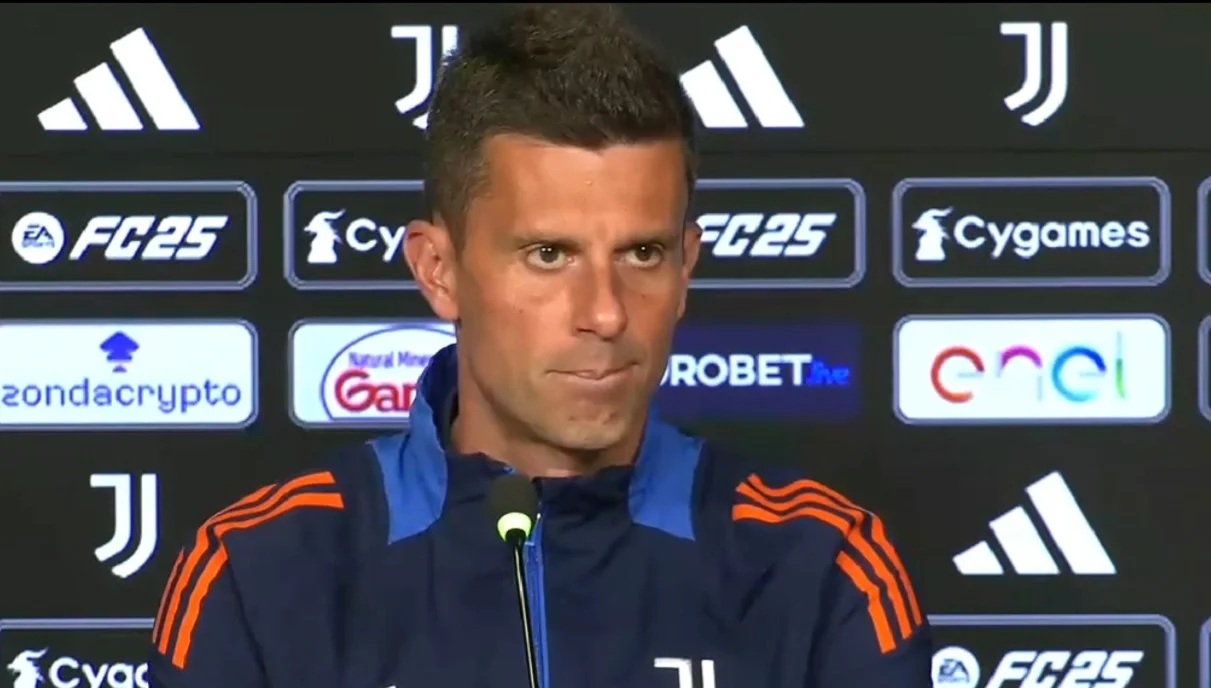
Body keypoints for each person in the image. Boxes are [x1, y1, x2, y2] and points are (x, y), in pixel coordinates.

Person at [147, 4, 932, 687]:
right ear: (438, 270)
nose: (605, 313)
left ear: (686, 267)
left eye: (642, 254)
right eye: (548, 255)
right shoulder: (261, 572)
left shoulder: (817, 565)